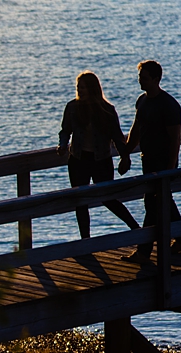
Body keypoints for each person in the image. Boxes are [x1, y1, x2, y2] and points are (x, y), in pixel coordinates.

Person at [57, 71, 140, 240]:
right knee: (80, 201)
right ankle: (85, 240)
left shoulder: (107, 110)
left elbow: (117, 137)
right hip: (78, 159)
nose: (80, 91)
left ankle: (135, 228)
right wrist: (63, 144)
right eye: (78, 87)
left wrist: (125, 156)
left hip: (101, 159)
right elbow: (65, 130)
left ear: (93, 89)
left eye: (84, 87)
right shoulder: (72, 107)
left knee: (107, 198)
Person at [123, 60, 181, 262]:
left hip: (163, 161)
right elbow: (136, 131)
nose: (140, 80)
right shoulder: (142, 101)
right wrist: (126, 153)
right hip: (147, 159)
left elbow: (175, 138)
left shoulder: (169, 105)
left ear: (156, 79)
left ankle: (143, 251)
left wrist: (170, 167)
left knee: (153, 203)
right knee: (162, 200)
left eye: (144, 77)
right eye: (140, 76)